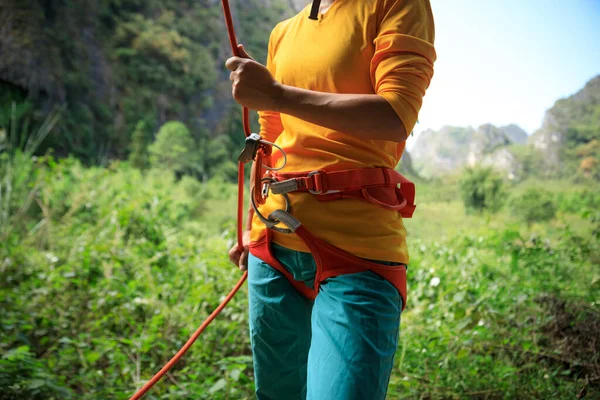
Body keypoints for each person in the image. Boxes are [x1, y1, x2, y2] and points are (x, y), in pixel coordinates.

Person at [226, 0, 435, 398]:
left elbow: (396, 115)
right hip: (273, 250)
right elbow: (270, 139)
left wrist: (277, 94)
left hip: (359, 252)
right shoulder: (283, 32)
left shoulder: (395, 4)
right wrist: (250, 228)